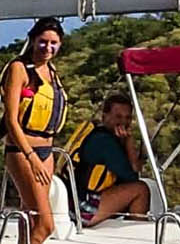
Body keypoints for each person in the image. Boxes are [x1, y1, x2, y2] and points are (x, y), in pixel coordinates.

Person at [0, 17, 66, 244]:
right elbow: (12, 120)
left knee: (30, 223)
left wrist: (44, 159)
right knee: (45, 224)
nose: (48, 47)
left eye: (54, 43)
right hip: (23, 150)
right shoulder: (18, 69)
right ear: (32, 39)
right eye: (43, 41)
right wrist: (29, 157)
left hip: (47, 151)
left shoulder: (52, 72)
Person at [62, 94, 150, 226]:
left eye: (127, 118)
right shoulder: (105, 142)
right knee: (141, 190)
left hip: (72, 201)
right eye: (118, 117)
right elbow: (132, 176)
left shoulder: (99, 134)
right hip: (82, 207)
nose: (123, 122)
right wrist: (128, 142)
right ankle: (135, 233)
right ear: (105, 117)